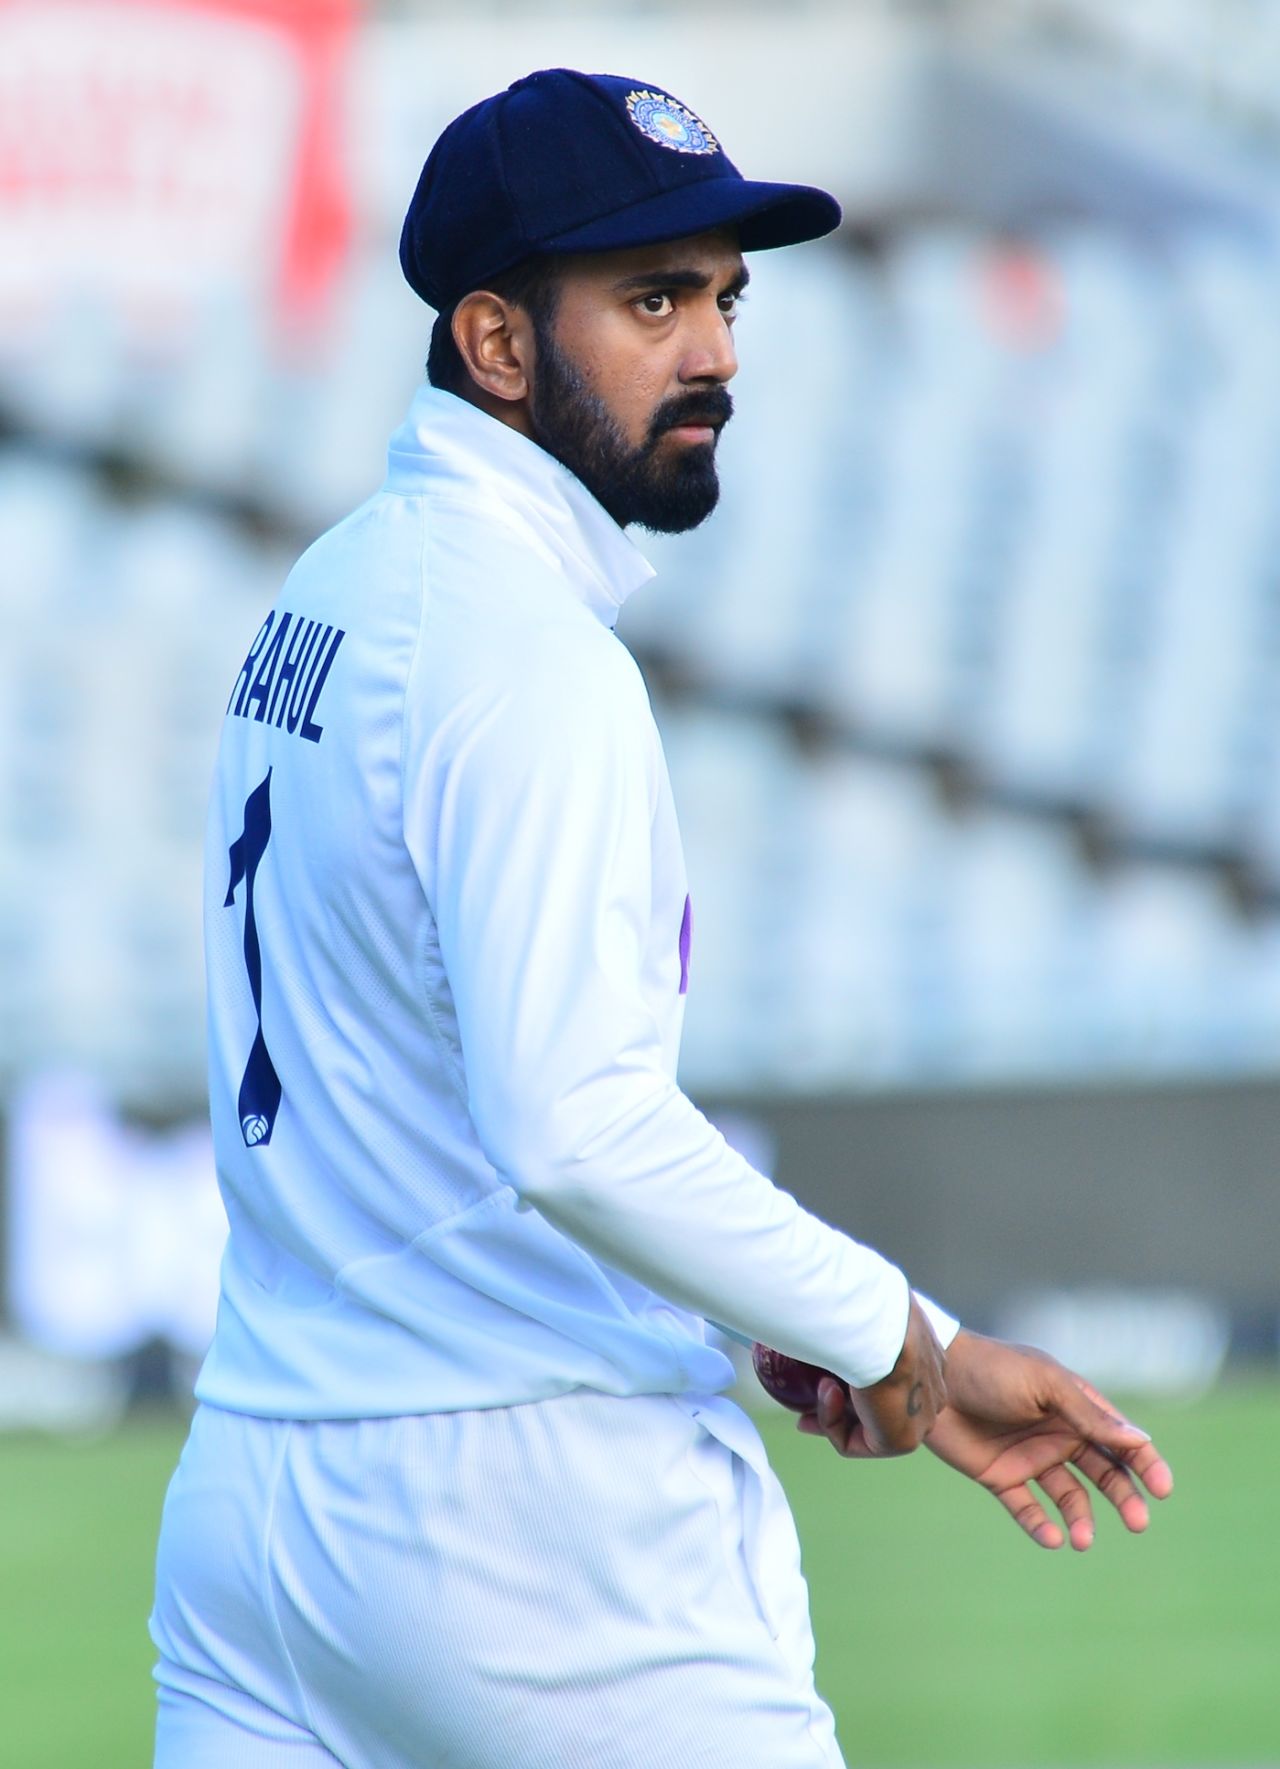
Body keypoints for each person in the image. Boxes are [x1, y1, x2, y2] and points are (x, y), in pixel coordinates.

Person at [150, 68, 1173, 1769]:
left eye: (722, 295)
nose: (716, 351)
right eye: (650, 299)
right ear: (492, 341)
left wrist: (782, 1307)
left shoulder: (326, 594)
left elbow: (432, 1085)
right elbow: (577, 1126)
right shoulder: (522, 652)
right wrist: (894, 1331)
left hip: (261, 1498)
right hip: (533, 1544)